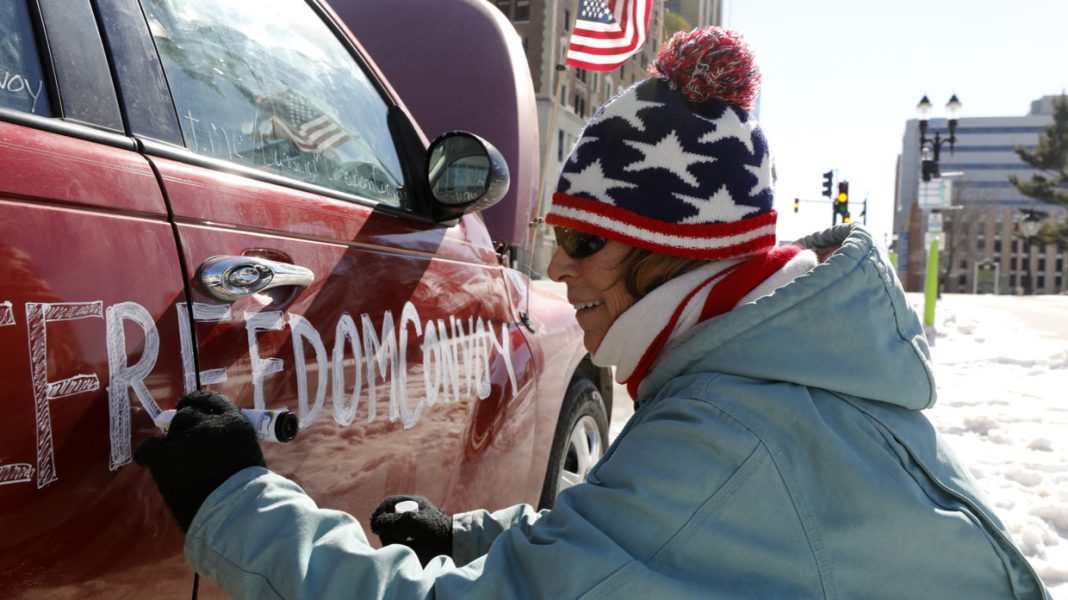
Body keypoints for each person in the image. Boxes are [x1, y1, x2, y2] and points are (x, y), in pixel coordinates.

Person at [135, 27, 1050, 598]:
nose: (560, 276)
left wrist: (238, 503)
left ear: (673, 251)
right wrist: (477, 536)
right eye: (554, 241)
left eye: (584, 245)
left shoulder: (730, 436)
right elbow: (656, 546)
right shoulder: (775, 379)